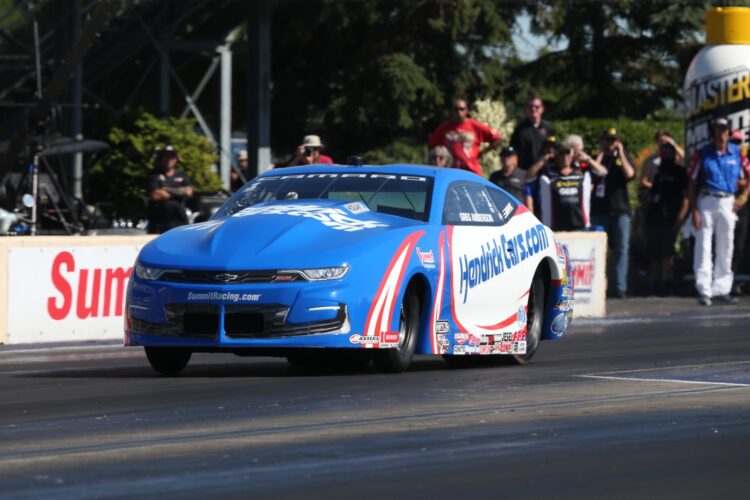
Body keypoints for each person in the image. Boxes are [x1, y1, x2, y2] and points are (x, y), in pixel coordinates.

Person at [688, 117, 750, 305]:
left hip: (728, 201)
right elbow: (691, 182)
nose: (722, 133)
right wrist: (694, 210)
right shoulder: (703, 153)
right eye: (718, 129)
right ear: (713, 131)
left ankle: (722, 288)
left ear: (729, 132)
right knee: (704, 245)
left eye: (724, 129)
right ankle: (704, 289)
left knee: (726, 245)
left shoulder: (737, 153)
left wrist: (743, 197)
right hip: (707, 200)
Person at [590, 127, 636, 299]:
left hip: (620, 211)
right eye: (607, 140)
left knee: (621, 249)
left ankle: (620, 287)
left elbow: (630, 173)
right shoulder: (599, 158)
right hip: (599, 211)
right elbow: (593, 172)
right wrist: (601, 153)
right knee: (597, 250)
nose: (611, 144)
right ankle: (597, 286)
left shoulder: (622, 158)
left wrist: (621, 152)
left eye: (613, 140)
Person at [645, 142, 689, 295]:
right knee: (654, 252)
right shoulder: (658, 173)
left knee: (666, 253)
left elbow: (686, 198)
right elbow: (652, 196)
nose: (666, 157)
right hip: (654, 217)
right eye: (663, 154)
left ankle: (666, 282)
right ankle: (655, 282)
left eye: (668, 154)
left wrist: (680, 217)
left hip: (670, 217)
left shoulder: (680, 172)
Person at [538, 140, 607, 232]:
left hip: (580, 224)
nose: (565, 157)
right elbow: (528, 177)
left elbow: (603, 172)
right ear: (556, 155)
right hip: (556, 225)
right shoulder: (549, 171)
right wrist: (544, 159)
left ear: (572, 155)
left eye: (567, 153)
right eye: (561, 154)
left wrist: (587, 158)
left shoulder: (582, 170)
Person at [428, 98, 502, 176]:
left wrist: (481, 153)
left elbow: (497, 138)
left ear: (467, 110)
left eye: (461, 109)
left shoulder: (475, 126)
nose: (458, 112)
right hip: (450, 171)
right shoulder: (444, 128)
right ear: (452, 111)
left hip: (471, 172)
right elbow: (432, 146)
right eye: (456, 109)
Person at [146, 146, 194, 234]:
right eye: (166, 157)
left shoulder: (182, 175)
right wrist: (179, 192)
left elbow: (189, 192)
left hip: (179, 221)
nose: (169, 160)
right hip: (158, 223)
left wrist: (166, 190)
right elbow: (155, 195)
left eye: (171, 157)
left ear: (176, 159)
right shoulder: (154, 175)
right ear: (160, 159)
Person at [510, 94, 555, 171]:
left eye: (537, 107)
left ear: (542, 109)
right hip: (525, 172)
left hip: (544, 171)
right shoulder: (520, 129)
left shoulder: (548, 128)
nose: (533, 109)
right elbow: (513, 152)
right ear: (526, 109)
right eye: (530, 107)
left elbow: (552, 148)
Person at [731, 129, 750, 294]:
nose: (735, 145)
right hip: (725, 202)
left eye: (738, 142)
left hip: (742, 205)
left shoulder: (744, 159)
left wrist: (742, 198)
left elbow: (747, 181)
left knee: (739, 244)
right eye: (733, 142)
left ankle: (734, 278)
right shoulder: (723, 157)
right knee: (723, 244)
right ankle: (725, 281)